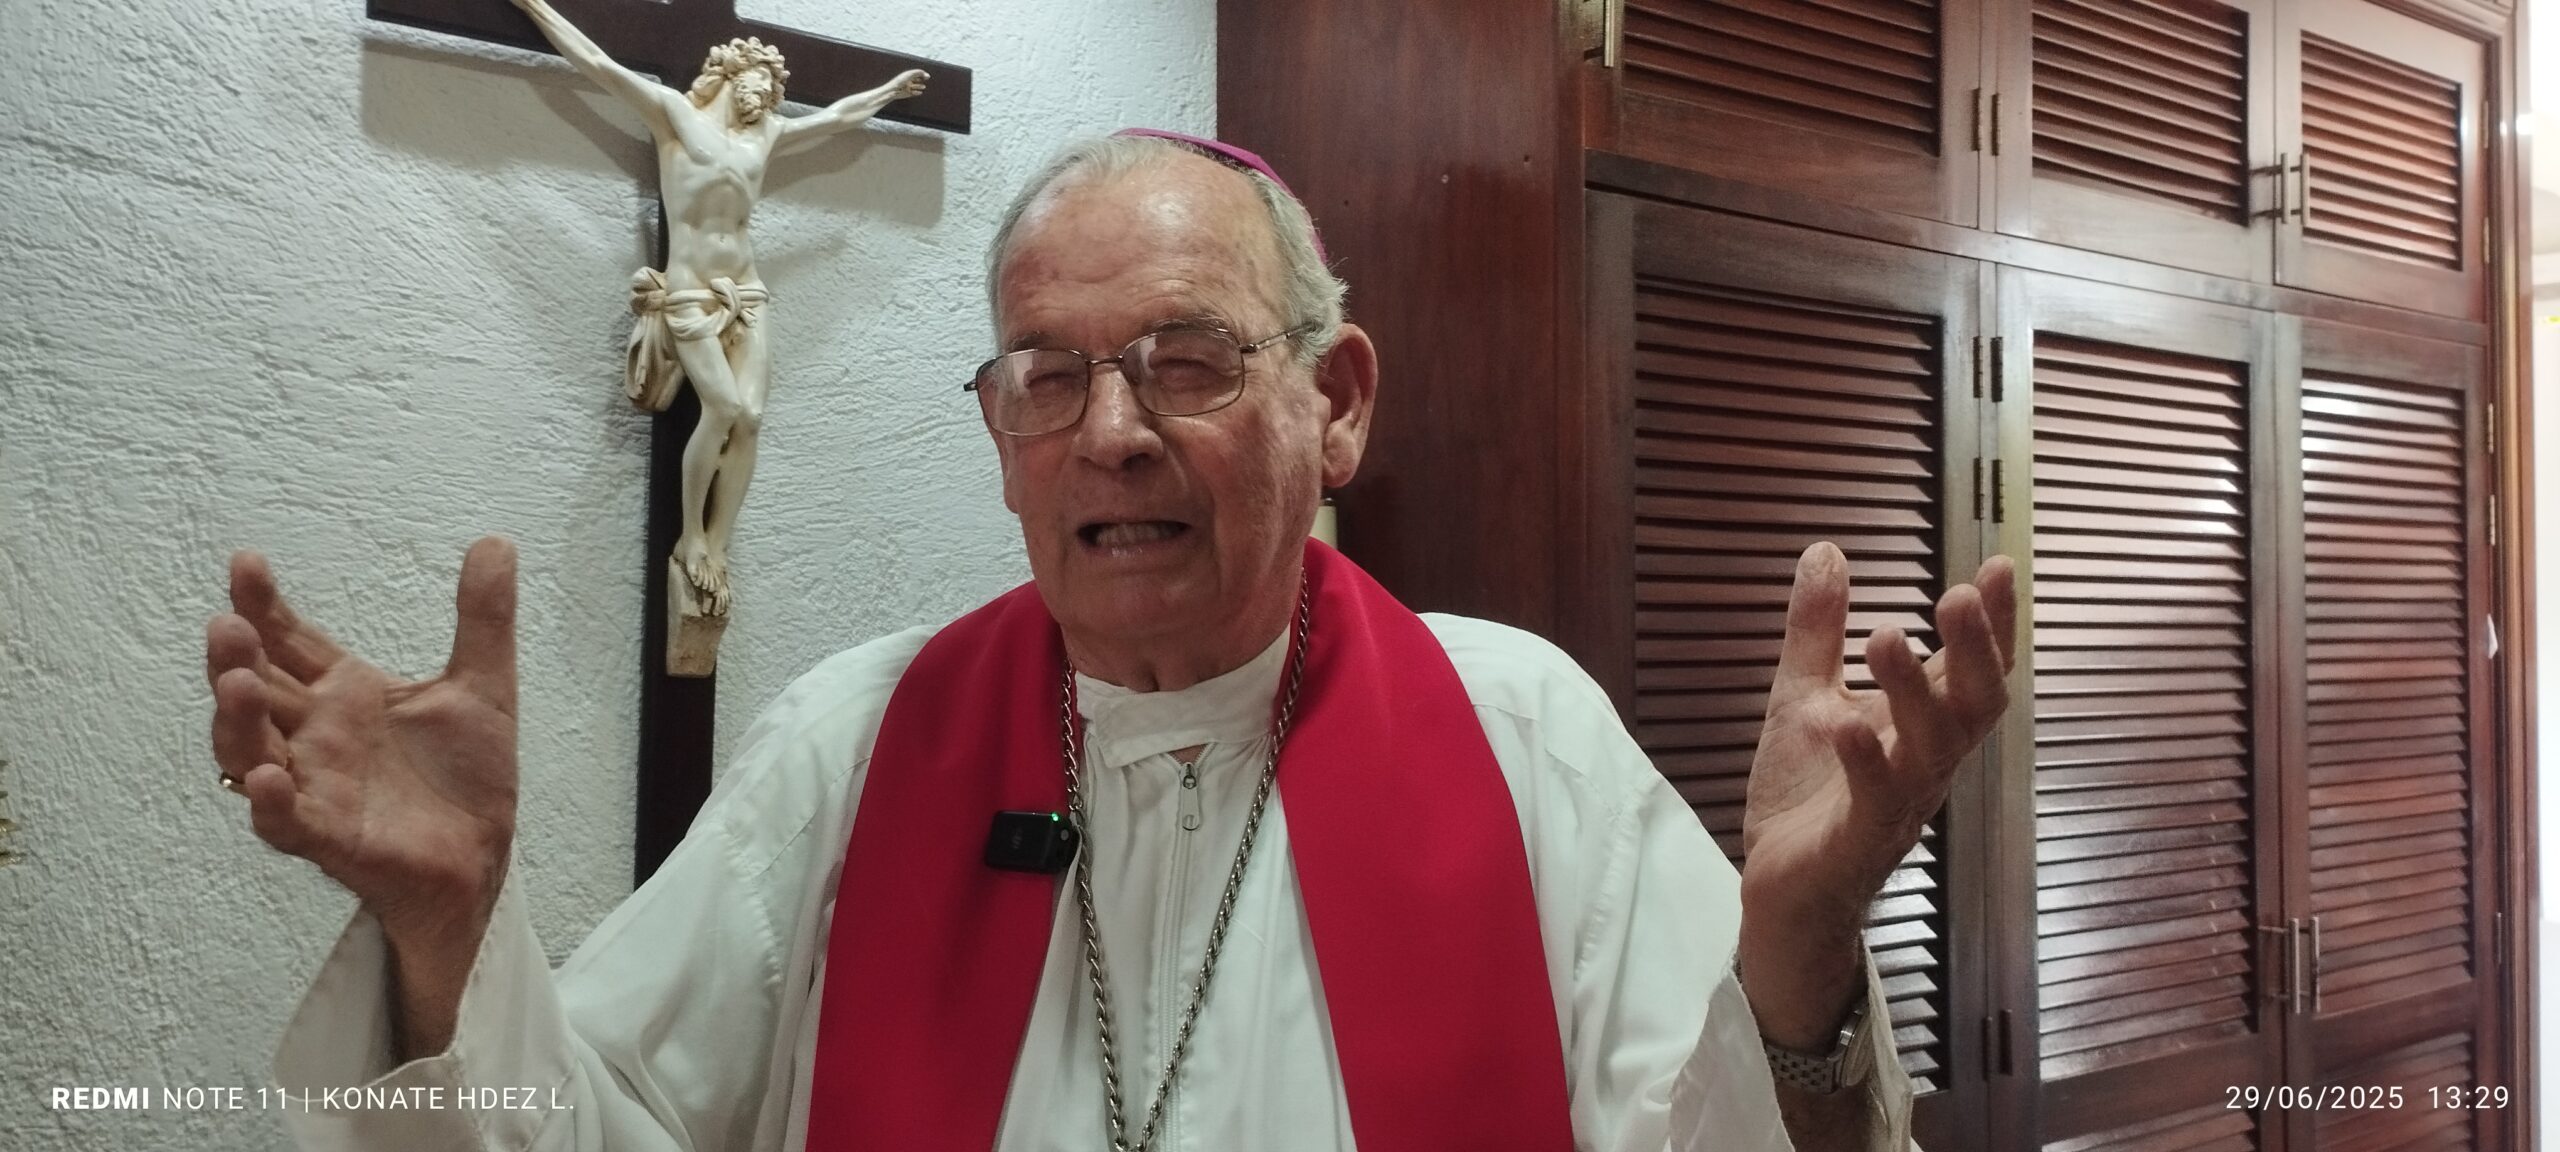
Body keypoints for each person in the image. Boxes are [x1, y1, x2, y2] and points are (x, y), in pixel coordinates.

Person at [204, 132, 2017, 1151]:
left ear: (1338, 404)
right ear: (1000, 432)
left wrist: (1797, 957)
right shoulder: (855, 746)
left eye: (1188, 360)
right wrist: (449, 936)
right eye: (1047, 377)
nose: (1114, 434)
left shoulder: (1520, 734)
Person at [505, 0, 929, 613]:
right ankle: (692, 537)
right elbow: (597, 63)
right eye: (759, 86)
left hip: (747, 291)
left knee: (750, 416)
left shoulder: (767, 134)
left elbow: (837, 117)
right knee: (723, 406)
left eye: (772, 92)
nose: (766, 99)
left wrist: (888, 91)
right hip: (691, 291)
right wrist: (537, 7)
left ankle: (719, 545)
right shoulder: (674, 114)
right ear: (732, 76)